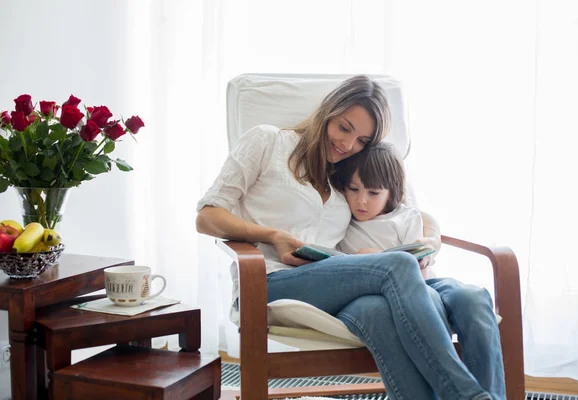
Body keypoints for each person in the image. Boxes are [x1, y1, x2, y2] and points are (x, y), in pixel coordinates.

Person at [196, 75, 505, 400]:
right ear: (327, 112)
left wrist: (432, 238)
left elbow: (406, 208)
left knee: (382, 311)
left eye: (361, 140)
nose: (347, 145)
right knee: (396, 265)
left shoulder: (345, 171)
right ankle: (464, 394)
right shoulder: (267, 142)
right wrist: (272, 235)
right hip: (269, 280)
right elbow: (207, 216)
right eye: (344, 128)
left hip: (339, 283)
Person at [331, 141, 431, 279]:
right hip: (369, 286)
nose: (361, 200)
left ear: (391, 193)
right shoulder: (343, 218)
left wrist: (377, 255)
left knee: (466, 294)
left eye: (373, 193)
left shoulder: (406, 217)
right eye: (353, 189)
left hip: (415, 284)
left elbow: (420, 270)